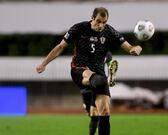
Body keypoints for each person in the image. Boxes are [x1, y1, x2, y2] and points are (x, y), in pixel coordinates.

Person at [36, 7, 142, 135]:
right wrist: (43, 64)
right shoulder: (79, 28)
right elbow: (60, 47)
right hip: (79, 69)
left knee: (105, 111)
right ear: (92, 18)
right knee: (93, 90)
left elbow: (129, 47)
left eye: (104, 22)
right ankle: (108, 79)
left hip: (99, 73)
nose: (101, 25)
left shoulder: (109, 31)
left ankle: (106, 79)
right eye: (98, 21)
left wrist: (135, 48)